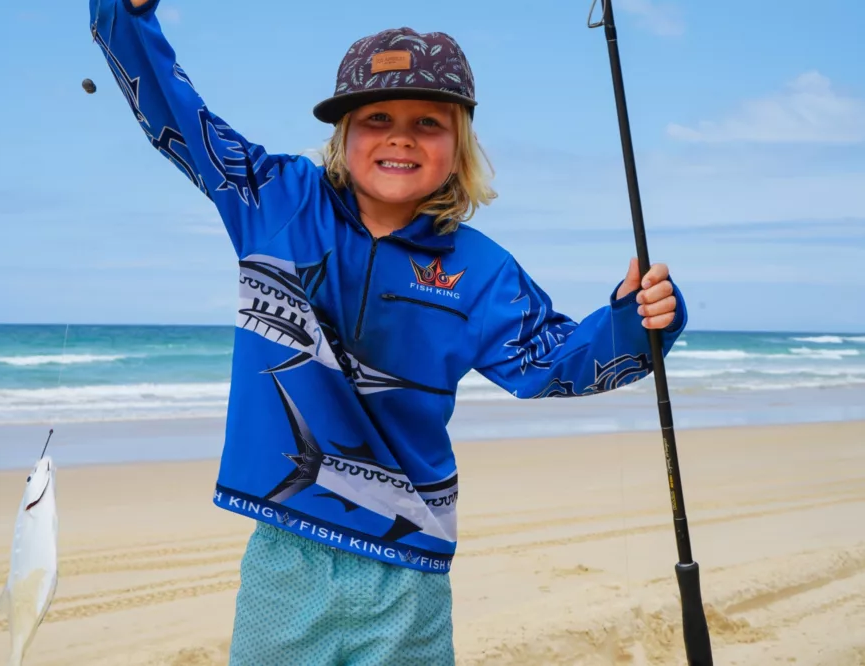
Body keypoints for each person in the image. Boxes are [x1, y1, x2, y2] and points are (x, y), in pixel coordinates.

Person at [89, 1, 687, 663]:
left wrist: (639, 320)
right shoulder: (274, 201)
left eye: (427, 123)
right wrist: (126, 13)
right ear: (344, 132)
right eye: (377, 118)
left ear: (459, 146)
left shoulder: (481, 269)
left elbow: (552, 362)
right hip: (285, 551)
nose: (400, 137)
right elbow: (174, 112)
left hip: (409, 568)